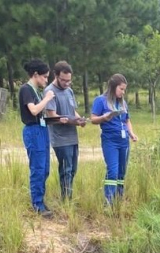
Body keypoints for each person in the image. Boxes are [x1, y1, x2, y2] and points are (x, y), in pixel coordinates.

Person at [90, 74, 138, 206]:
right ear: (113, 87)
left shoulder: (122, 102)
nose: (123, 92)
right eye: (121, 89)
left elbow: (127, 120)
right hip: (110, 140)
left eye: (124, 90)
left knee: (122, 171)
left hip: (124, 141)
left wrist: (131, 133)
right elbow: (93, 119)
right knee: (113, 170)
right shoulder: (100, 100)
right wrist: (104, 118)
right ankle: (108, 202)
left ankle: (119, 198)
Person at [19, 59, 56, 217]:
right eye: (45, 77)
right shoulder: (26, 89)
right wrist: (47, 99)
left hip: (42, 130)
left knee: (45, 168)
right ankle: (37, 204)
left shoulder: (36, 91)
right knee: (38, 169)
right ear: (36, 75)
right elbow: (33, 110)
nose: (46, 80)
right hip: (33, 131)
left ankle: (40, 199)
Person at [44, 61, 86, 201]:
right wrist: (66, 120)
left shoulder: (69, 91)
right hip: (60, 138)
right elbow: (52, 115)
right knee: (66, 170)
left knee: (73, 168)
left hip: (73, 136)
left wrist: (79, 120)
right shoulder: (50, 91)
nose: (67, 83)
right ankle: (66, 200)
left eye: (69, 80)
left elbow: (72, 110)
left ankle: (68, 196)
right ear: (56, 76)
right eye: (64, 80)